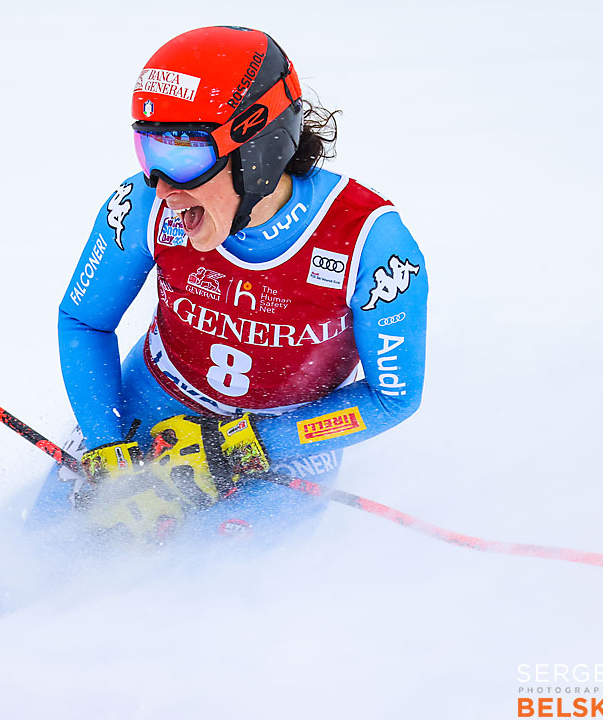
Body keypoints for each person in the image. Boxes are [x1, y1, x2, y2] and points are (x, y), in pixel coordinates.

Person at [29, 26, 427, 544]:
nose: (163, 186)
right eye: (149, 151)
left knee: (203, 596)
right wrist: (107, 442)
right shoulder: (143, 209)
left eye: (185, 156)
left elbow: (394, 397)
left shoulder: (369, 243)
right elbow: (83, 320)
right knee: (40, 556)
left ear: (257, 145)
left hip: (286, 447)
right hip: (150, 404)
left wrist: (251, 445)